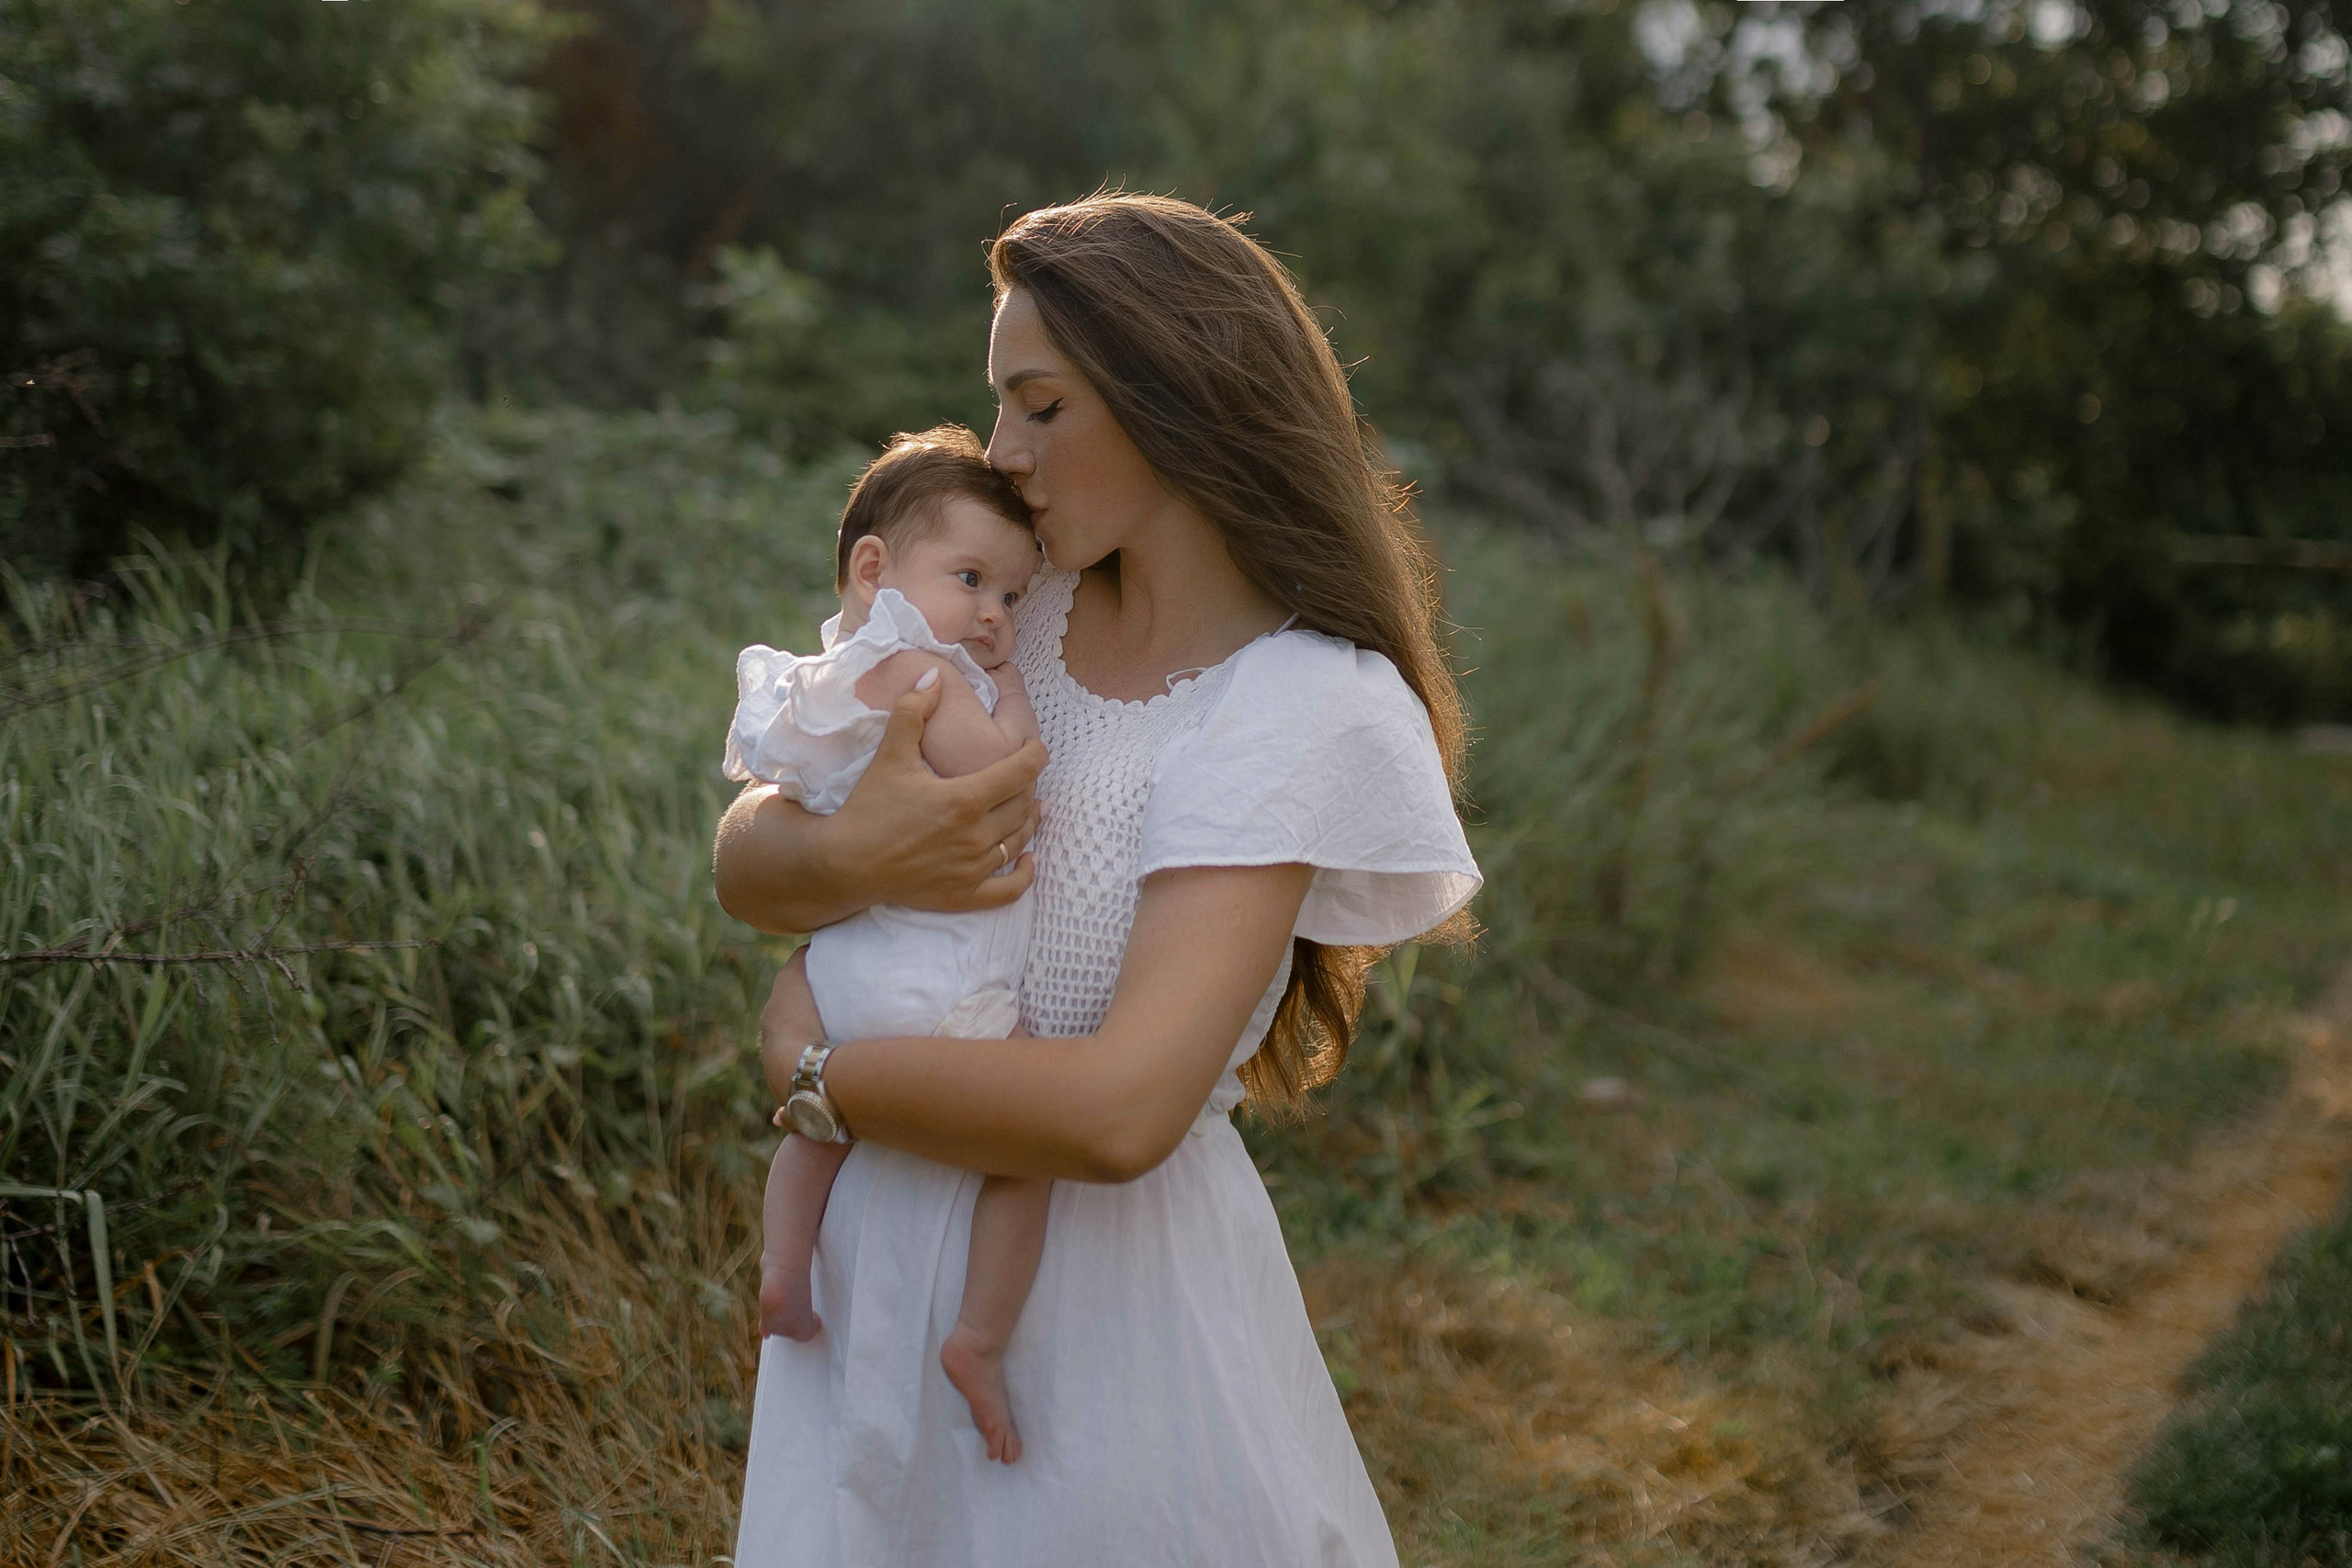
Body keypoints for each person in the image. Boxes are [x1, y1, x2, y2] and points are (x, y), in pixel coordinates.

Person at [716, 192, 1481, 1568]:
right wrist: (848, 855)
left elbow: (1122, 1110)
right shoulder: (1009, 609)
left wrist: (820, 1071)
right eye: (999, 403)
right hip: (877, 1256)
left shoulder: (1297, 700)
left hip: (1103, 1301)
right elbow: (753, 857)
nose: (1002, 450)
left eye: (1042, 404)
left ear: (1178, 396)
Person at [722, 426, 1050, 1464]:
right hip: (929, 973)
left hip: (844, 968)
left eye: (1012, 597)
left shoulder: (831, 676)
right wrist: (1016, 701)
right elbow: (999, 773)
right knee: (1029, 1153)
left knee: (818, 1130)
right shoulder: (922, 670)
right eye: (972, 581)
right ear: (875, 570)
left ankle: (783, 1270)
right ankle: (979, 1338)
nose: (995, 616)